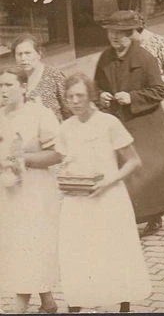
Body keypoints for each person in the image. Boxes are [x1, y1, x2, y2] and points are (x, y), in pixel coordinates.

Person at [56, 73, 151, 313]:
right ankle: (77, 303)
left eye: (80, 95)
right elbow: (64, 160)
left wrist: (108, 182)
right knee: (77, 253)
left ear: (91, 96)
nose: (75, 101)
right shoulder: (66, 127)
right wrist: (67, 174)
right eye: (70, 97)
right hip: (77, 200)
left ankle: (122, 304)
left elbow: (133, 162)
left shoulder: (108, 123)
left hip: (108, 198)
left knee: (113, 250)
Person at [94, 11, 164, 234]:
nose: (114, 38)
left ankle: (154, 216)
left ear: (130, 35)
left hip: (145, 123)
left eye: (119, 34)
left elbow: (158, 91)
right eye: (111, 33)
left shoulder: (146, 59)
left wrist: (132, 97)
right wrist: (101, 95)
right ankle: (126, 216)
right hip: (118, 122)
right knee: (123, 171)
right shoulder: (105, 58)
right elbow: (96, 85)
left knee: (147, 173)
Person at [0, 68, 62, 314]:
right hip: (7, 192)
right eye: (0, 86)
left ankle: (19, 307)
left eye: (8, 85)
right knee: (17, 245)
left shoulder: (40, 115)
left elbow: (57, 153)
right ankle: (47, 302)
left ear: (24, 88)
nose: (3, 91)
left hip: (35, 191)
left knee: (29, 243)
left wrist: (22, 159)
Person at [12, 33, 69, 120]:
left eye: (28, 53)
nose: (23, 58)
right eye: (19, 54)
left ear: (39, 54)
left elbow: (69, 108)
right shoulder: (14, 79)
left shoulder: (53, 75)